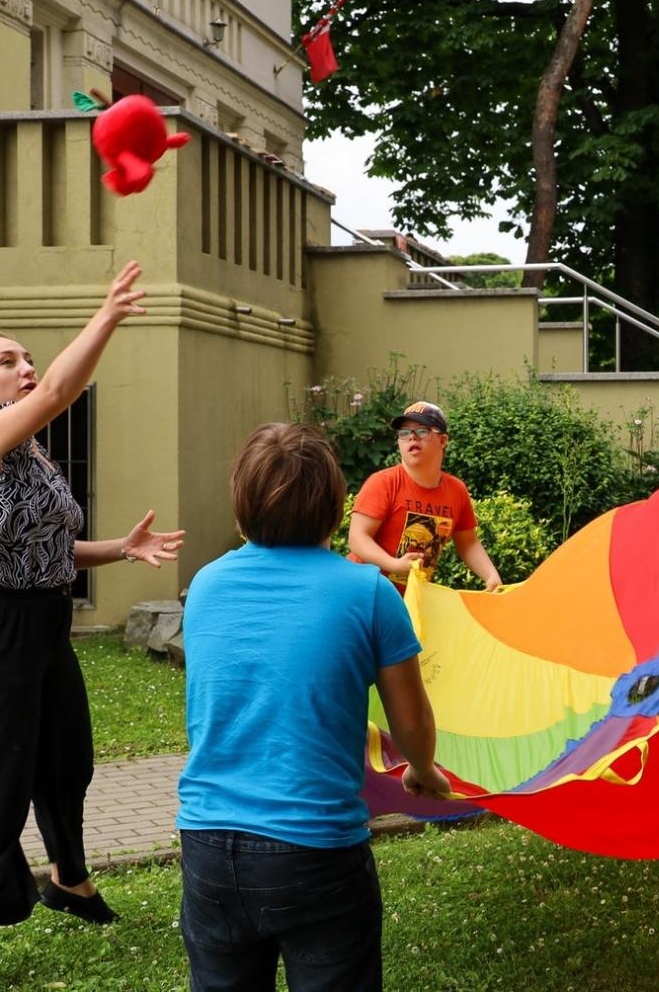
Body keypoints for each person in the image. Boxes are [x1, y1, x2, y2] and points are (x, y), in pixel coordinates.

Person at [0, 261, 186, 992]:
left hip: (45, 629)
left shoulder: (34, 455)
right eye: (6, 360)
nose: (25, 366)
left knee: (66, 763)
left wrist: (120, 548)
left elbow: (50, 547)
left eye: (26, 357)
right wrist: (105, 314)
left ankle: (67, 879)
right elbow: (61, 390)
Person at [177, 422, 452, 991]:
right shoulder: (369, 591)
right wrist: (422, 772)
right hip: (316, 847)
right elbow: (413, 720)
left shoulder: (205, 584)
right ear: (334, 508)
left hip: (207, 844)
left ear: (241, 501)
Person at [347, 400, 502, 591]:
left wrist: (491, 575)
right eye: (404, 433)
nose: (412, 438)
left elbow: (468, 543)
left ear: (443, 441)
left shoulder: (456, 490)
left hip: (411, 601)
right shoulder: (383, 483)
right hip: (363, 593)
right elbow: (357, 538)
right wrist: (394, 564)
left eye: (422, 431)